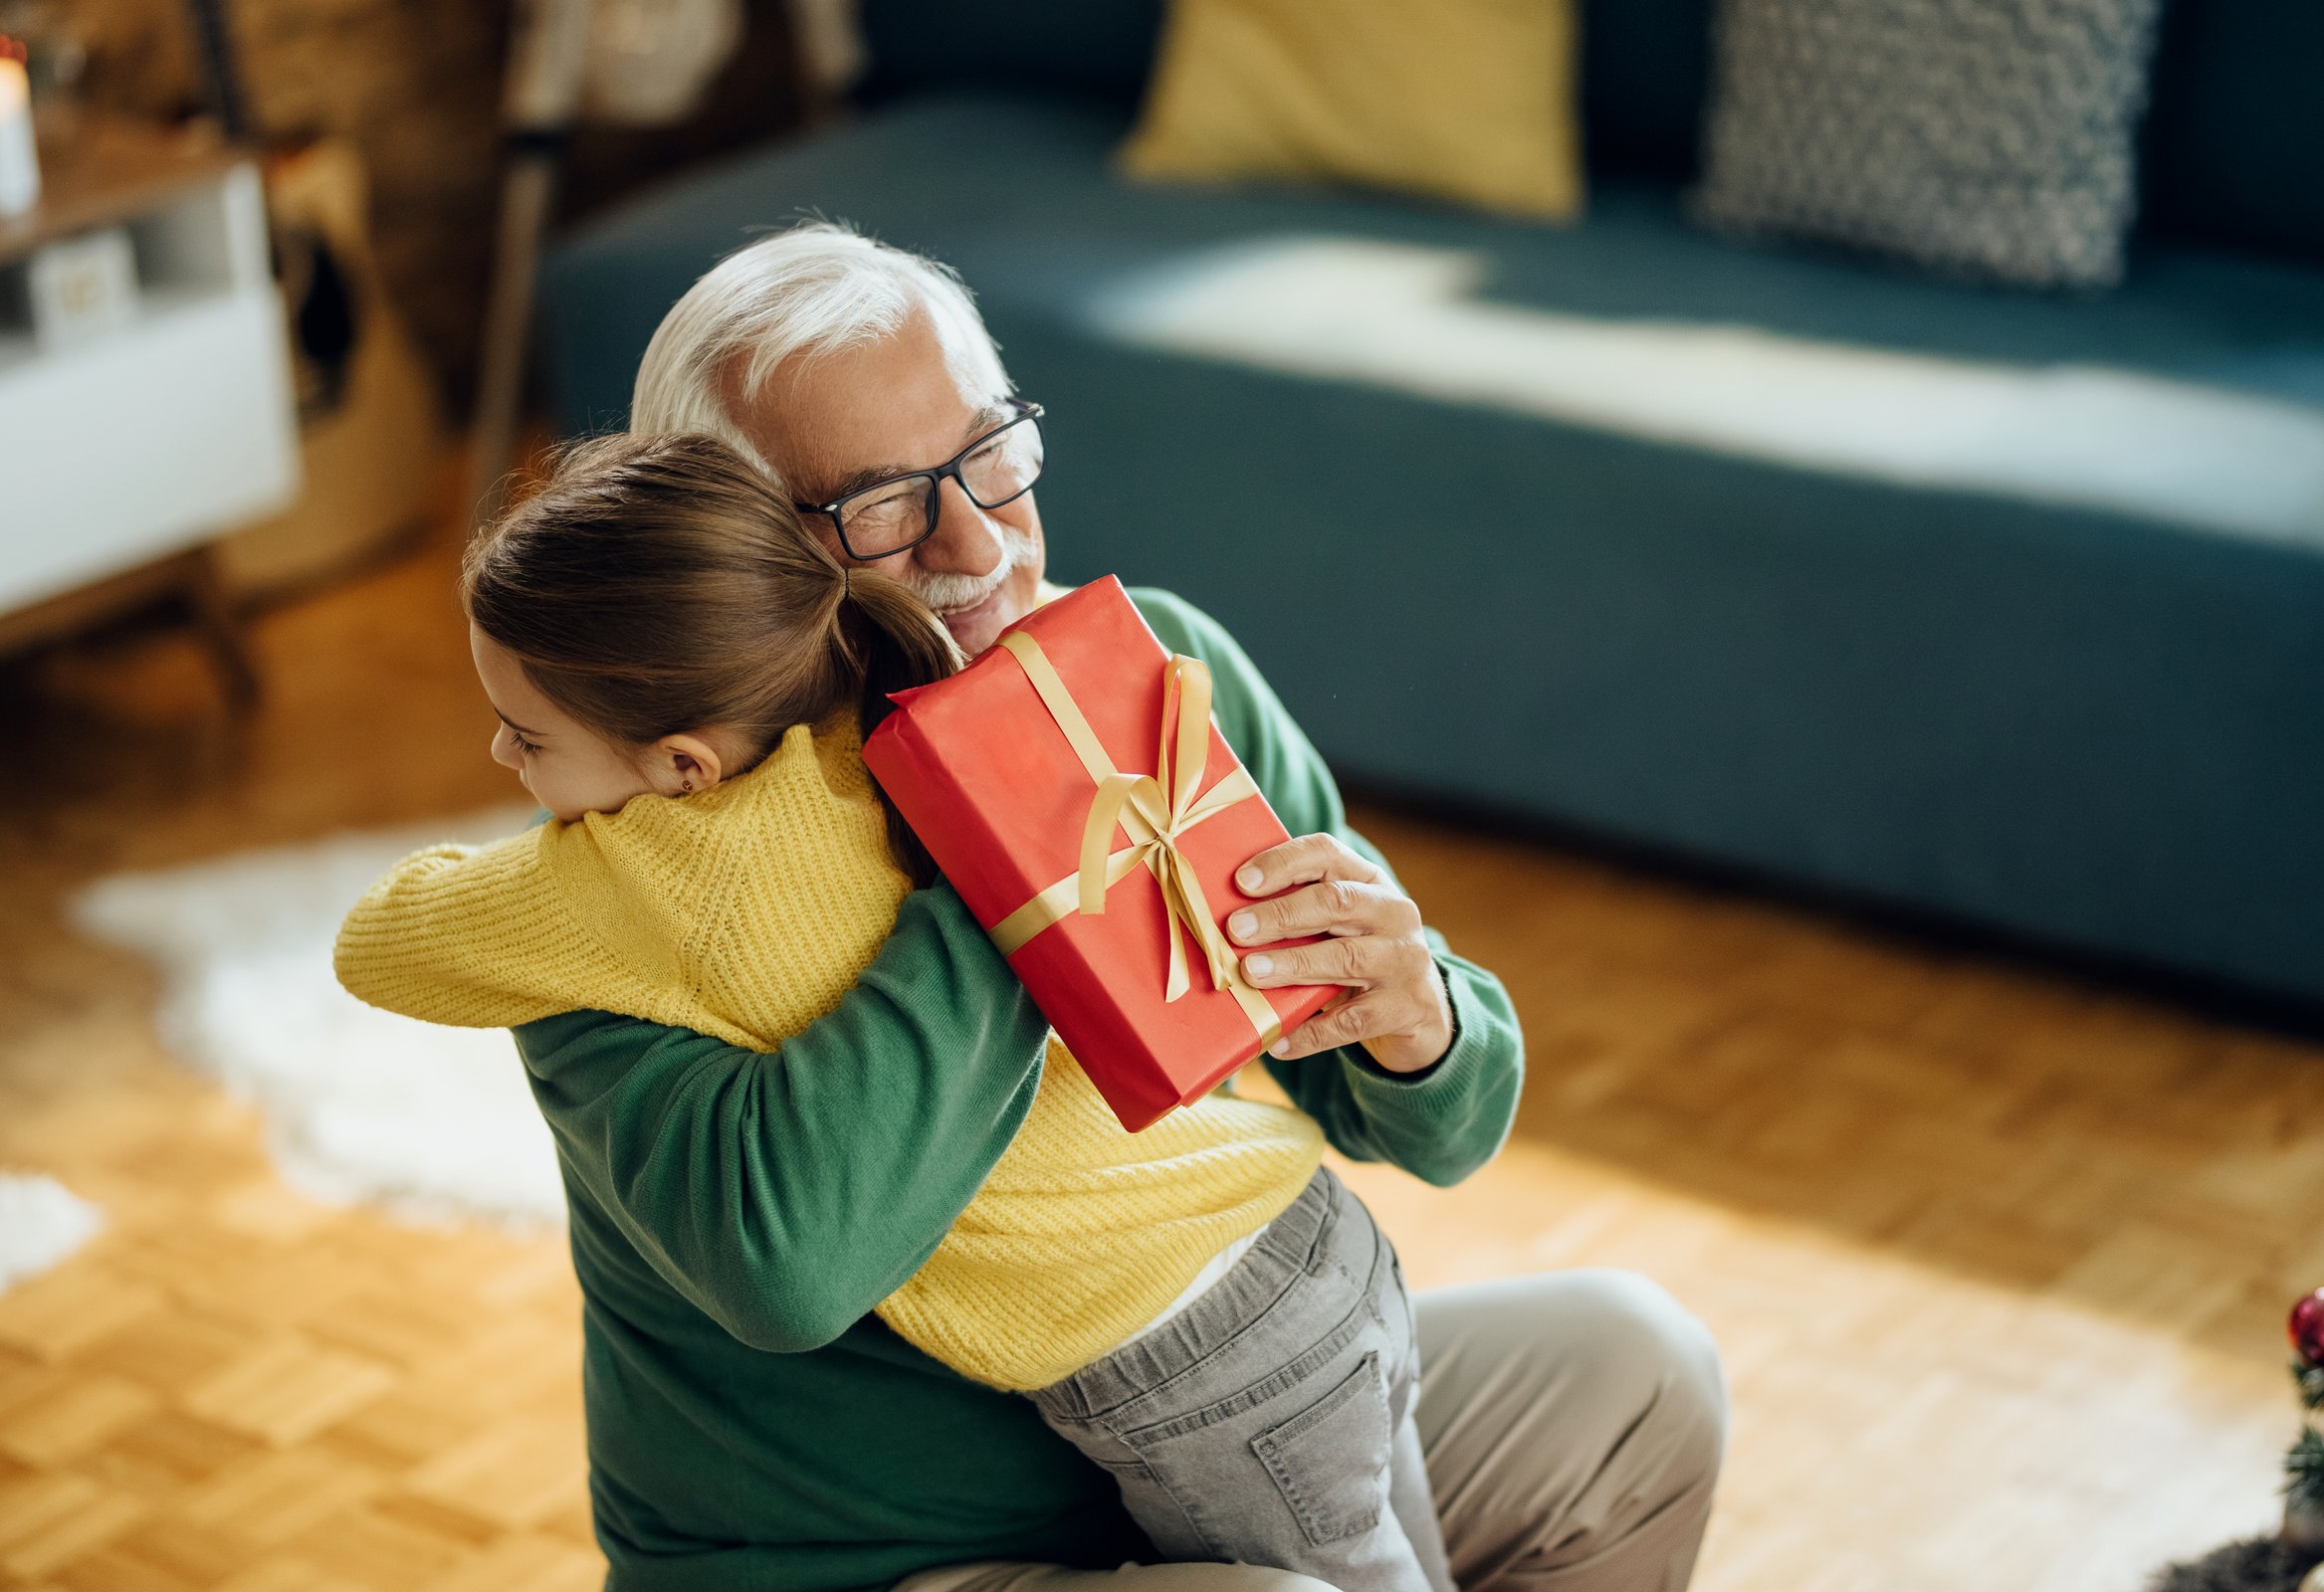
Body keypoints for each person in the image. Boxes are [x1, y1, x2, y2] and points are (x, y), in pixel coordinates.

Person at [502, 220, 1727, 1592]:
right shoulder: (620, 866)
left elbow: (1441, 1128)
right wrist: (1015, 847)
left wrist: (1418, 1021)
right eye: (882, 505)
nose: (976, 542)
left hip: (1211, 1430)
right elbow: (786, 1271)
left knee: (1636, 1374)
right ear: (735, 550)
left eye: (987, 457)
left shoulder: (1160, 673)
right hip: (872, 1564)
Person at [334, 432, 1452, 1592]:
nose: (500, 752)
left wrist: (557, 848)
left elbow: (378, 941)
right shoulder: (908, 739)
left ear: (681, 766)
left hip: (1204, 1369)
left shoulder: (633, 880)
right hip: (1307, 1230)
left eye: (527, 734)